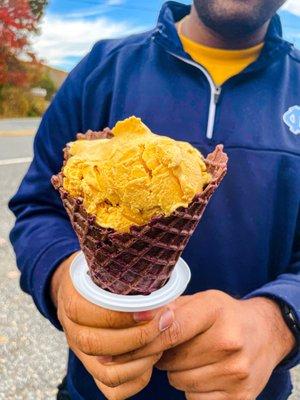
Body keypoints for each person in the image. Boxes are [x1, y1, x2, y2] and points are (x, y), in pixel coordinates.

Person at [9, 0, 300, 399]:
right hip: (94, 389)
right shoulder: (102, 67)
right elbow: (38, 207)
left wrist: (281, 319)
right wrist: (63, 283)